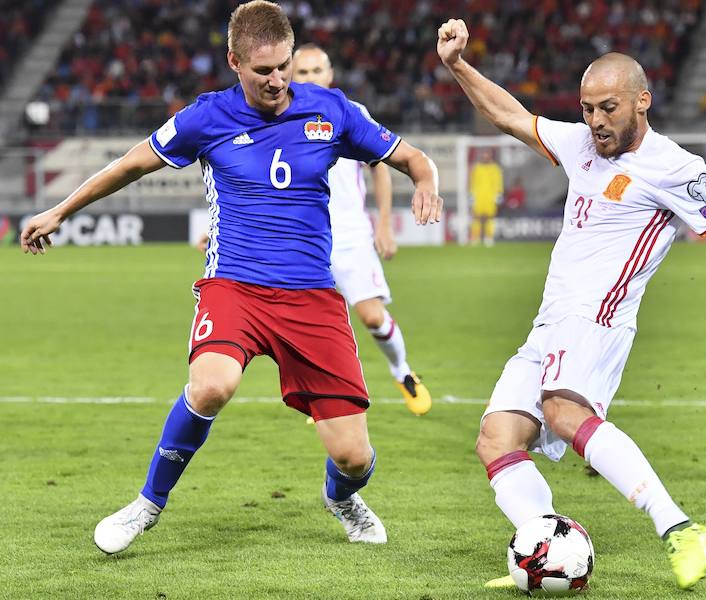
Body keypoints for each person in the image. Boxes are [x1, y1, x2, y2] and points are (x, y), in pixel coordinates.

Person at [436, 18, 706, 591]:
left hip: (599, 318)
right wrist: (458, 66)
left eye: (608, 108)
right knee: (497, 437)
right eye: (587, 108)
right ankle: (543, 551)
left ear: (643, 101)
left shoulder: (676, 168)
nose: (595, 121)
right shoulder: (580, 144)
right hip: (551, 321)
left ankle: (680, 528)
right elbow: (508, 115)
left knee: (565, 415)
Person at [21, 0, 442, 555]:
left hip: (311, 296)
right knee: (212, 385)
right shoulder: (206, 116)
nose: (276, 81)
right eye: (262, 70)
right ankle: (147, 504)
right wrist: (60, 211)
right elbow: (130, 164)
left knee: (354, 458)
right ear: (234, 62)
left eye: (284, 67)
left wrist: (426, 183)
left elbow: (413, 157)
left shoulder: (332, 111)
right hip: (235, 285)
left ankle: (340, 497)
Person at [197, 43, 433, 415]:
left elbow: (382, 165)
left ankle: (402, 371)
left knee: (371, 316)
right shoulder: (272, 117)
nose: (308, 78)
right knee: (316, 318)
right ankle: (328, 391)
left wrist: (384, 222)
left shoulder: (347, 112)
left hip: (349, 233)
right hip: (298, 241)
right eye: (302, 72)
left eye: (316, 71)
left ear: (330, 74)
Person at [469, 148, 503, 245]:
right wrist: (471, 197)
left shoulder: (495, 169)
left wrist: (498, 197)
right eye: (484, 154)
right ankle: (475, 238)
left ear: (491, 155)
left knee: (490, 218)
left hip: (490, 198)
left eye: (487, 154)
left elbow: (498, 184)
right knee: (476, 217)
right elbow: (473, 183)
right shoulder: (477, 168)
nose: (485, 156)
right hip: (478, 197)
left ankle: (489, 238)